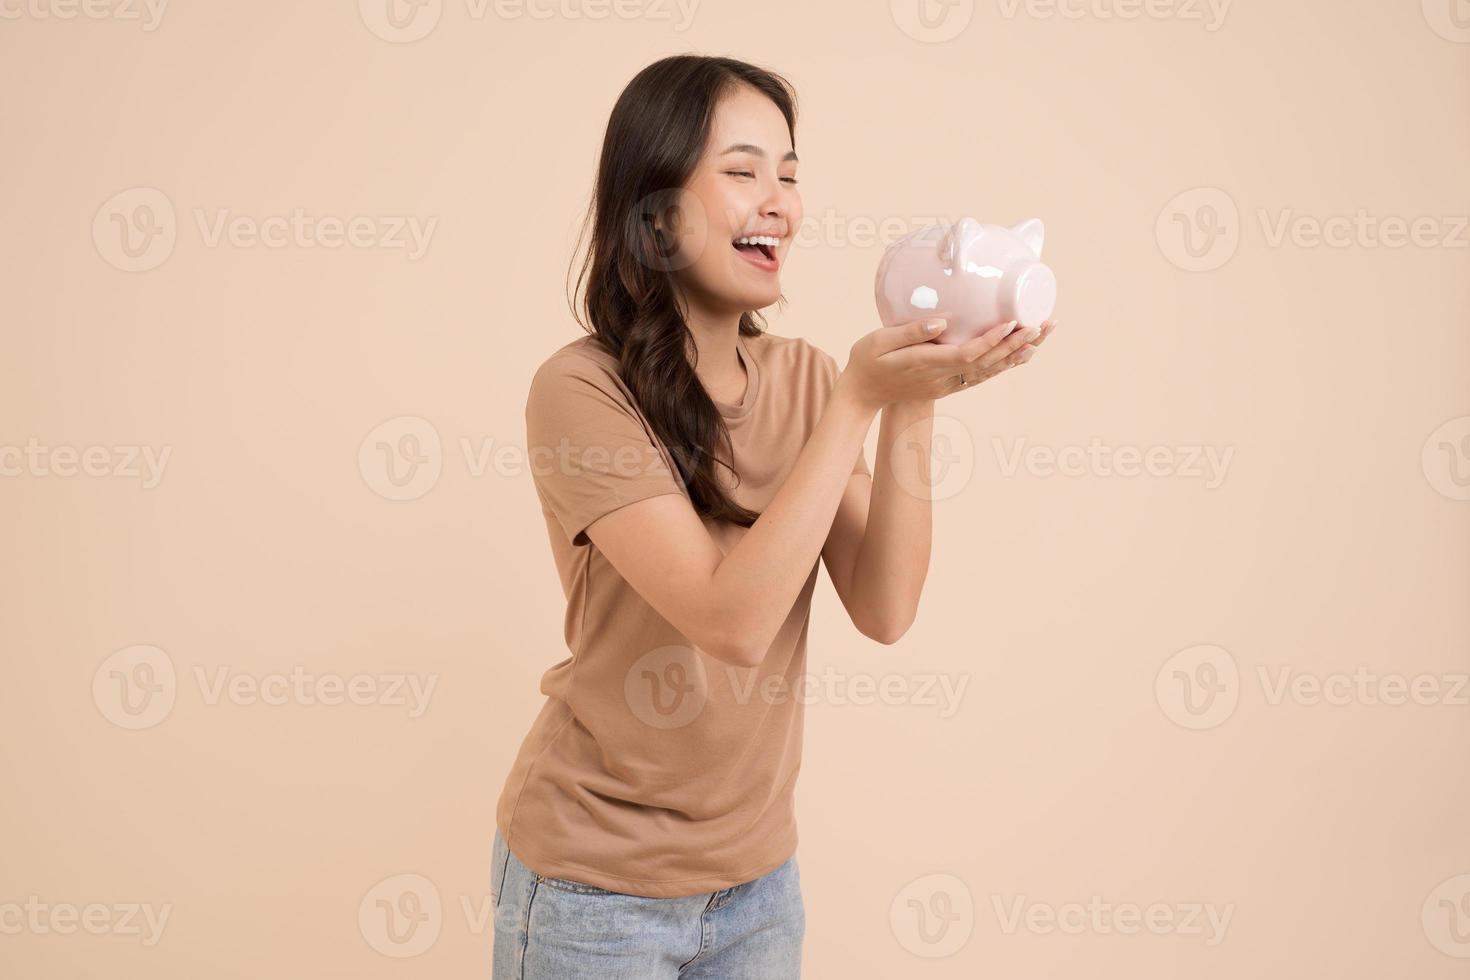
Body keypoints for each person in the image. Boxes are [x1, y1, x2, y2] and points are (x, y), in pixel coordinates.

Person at [490, 53, 1053, 979]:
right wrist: (858, 403)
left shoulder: (802, 379)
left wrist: (918, 396)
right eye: (744, 171)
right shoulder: (580, 389)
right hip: (595, 889)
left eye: (789, 174)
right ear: (657, 209)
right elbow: (731, 622)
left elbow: (885, 609)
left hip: (757, 886)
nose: (780, 201)